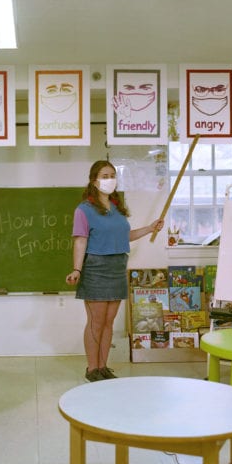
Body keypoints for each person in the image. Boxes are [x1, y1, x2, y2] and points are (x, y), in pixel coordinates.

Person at [65, 160, 164, 382]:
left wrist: (149, 228)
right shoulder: (84, 210)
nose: (110, 179)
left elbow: (124, 236)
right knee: (96, 322)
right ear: (94, 180)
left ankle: (103, 366)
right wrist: (76, 270)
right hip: (96, 268)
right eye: (105, 175)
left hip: (118, 267)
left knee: (109, 322)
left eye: (112, 175)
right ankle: (92, 369)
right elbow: (80, 241)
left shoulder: (118, 208)